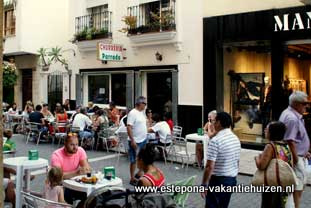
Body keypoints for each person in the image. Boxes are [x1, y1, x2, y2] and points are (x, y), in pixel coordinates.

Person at [201, 112, 241, 208]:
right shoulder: (235, 139)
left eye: (214, 121)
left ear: (218, 122)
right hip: (231, 180)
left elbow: (209, 166)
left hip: (218, 181)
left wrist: (204, 184)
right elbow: (237, 161)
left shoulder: (216, 140)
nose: (213, 124)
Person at [279, 91, 311, 208]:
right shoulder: (292, 118)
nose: (306, 106)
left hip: (299, 155)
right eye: (304, 103)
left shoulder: (291, 114)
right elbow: (289, 140)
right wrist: (297, 159)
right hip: (295, 158)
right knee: (297, 188)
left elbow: (296, 139)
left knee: (297, 187)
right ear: (296, 104)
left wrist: (304, 150)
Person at [255, 121, 294, 208]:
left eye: (267, 129)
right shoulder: (285, 145)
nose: (265, 130)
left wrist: (257, 158)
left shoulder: (270, 146)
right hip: (283, 182)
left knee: (269, 204)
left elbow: (262, 166)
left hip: (272, 183)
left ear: (272, 132)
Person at [51, 134, 91, 204]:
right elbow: (58, 176)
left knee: (90, 196)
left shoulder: (80, 150)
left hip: (74, 185)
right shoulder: (57, 155)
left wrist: (86, 169)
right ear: (65, 144)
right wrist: (76, 173)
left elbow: (87, 168)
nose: (75, 147)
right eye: (72, 145)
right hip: (60, 186)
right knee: (67, 195)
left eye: (77, 144)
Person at [127, 96, 148, 185]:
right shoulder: (133, 113)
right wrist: (132, 140)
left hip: (143, 139)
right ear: (140, 103)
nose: (145, 106)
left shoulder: (142, 113)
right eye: (145, 104)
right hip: (136, 140)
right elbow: (129, 127)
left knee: (142, 158)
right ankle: (132, 178)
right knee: (134, 160)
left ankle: (139, 173)